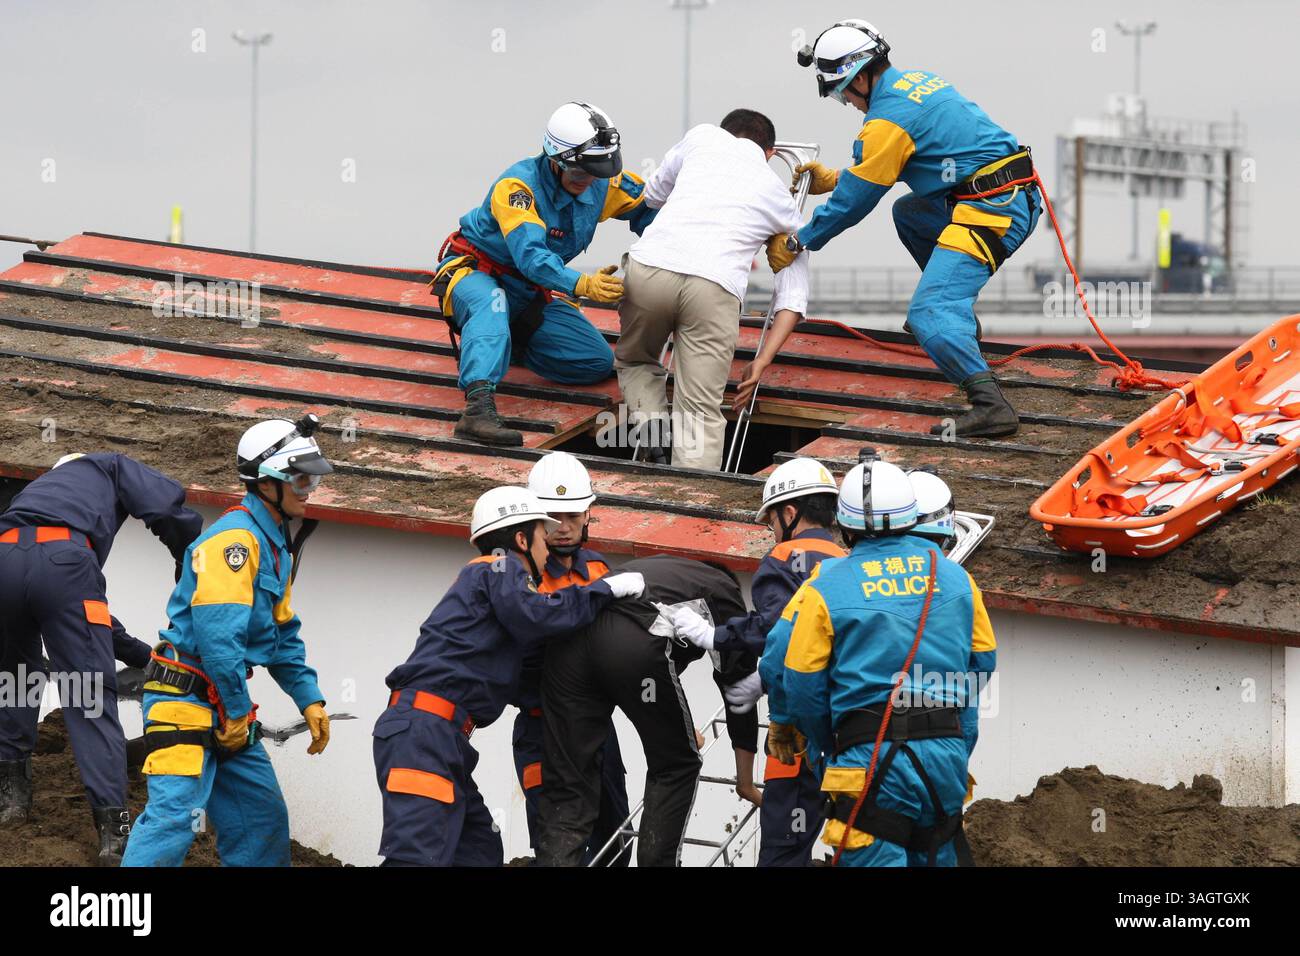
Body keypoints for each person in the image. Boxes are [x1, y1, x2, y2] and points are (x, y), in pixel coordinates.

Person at [767, 19, 1040, 438]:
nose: (847, 103)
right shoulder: (917, 83)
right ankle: (954, 317)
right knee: (909, 212)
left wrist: (798, 240)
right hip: (1005, 192)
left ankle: (990, 404)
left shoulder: (884, 123)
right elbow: (908, 158)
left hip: (993, 210)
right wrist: (840, 176)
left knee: (928, 313)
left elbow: (853, 204)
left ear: (859, 76)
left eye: (842, 93)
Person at [372, 486, 644, 866]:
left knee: (480, 849)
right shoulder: (499, 567)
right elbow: (537, 616)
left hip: (442, 736)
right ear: (520, 538)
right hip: (425, 734)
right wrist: (603, 591)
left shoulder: (494, 581)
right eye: (541, 535)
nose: (548, 546)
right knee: (416, 856)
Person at [761, 457, 996, 866]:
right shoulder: (958, 579)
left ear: (845, 526)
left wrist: (822, 741)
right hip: (944, 760)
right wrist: (958, 741)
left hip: (864, 762)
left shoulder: (826, 584)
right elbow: (982, 666)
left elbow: (793, 672)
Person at [121, 416, 334, 867]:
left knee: (261, 821)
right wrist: (238, 710)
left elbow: (281, 635)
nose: (309, 487)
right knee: (174, 819)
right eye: (300, 477)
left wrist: (308, 697)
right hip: (182, 701)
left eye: (312, 477)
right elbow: (219, 639)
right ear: (268, 482)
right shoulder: (235, 542)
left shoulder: (274, 544)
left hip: (221, 703)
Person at [0, 452, 203, 864]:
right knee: (88, 696)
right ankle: (116, 832)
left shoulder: (35, 502)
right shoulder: (106, 466)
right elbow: (163, 505)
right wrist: (188, 558)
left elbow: (73, 611)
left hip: (4, 561)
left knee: (16, 678)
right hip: (65, 570)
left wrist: (142, 656)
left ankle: (11, 799)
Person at [432, 101, 657, 446]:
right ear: (555, 161)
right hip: (478, 273)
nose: (588, 182)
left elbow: (651, 210)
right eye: (580, 173)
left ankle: (508, 342)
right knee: (492, 304)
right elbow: (532, 257)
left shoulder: (604, 182)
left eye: (595, 173)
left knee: (594, 362)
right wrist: (583, 284)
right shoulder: (518, 188)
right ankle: (477, 409)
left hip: (529, 292)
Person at [659, 457, 844, 866]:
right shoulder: (851, 565)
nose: (773, 533)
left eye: (773, 522)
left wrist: (714, 636)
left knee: (782, 850)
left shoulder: (784, 558)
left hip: (796, 732)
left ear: (790, 513)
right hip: (849, 735)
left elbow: (778, 627)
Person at [615, 109, 810, 468]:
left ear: (726, 133)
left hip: (650, 271)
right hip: (715, 290)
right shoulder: (779, 196)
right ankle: (689, 499)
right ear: (769, 154)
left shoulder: (701, 136)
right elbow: (793, 297)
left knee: (636, 359)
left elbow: (654, 193)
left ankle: (654, 431)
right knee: (700, 412)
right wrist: (762, 361)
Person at [536, 555, 747, 867]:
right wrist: (744, 778)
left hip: (566, 653)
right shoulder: (723, 590)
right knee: (675, 765)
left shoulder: (660, 569)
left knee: (571, 788)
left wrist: (679, 725)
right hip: (631, 646)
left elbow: (652, 684)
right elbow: (738, 687)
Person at [513, 452, 631, 865]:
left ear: (587, 515)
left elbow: (624, 652)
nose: (562, 528)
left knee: (617, 839)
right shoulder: (518, 575)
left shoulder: (599, 569)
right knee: (559, 844)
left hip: (598, 728)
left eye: (572, 516)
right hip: (541, 728)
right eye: (552, 517)